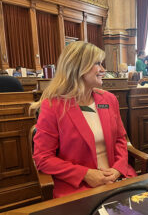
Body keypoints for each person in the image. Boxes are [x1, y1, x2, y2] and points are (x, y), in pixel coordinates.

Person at [31, 41, 136, 198]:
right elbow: (43, 158)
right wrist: (85, 174)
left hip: (117, 179)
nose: (103, 70)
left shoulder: (109, 99)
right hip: (79, 186)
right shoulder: (53, 106)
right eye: (97, 64)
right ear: (78, 68)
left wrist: (118, 169)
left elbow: (120, 140)